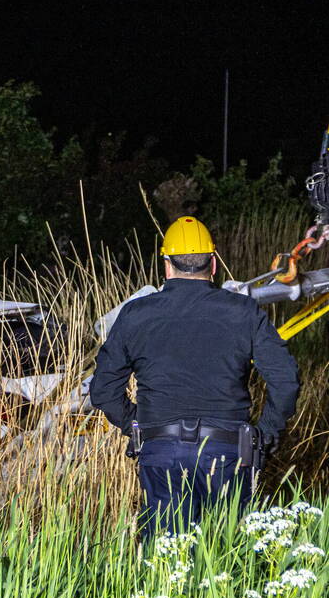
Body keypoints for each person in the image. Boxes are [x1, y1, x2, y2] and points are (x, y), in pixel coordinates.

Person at [89, 216, 299, 538]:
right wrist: (265, 434)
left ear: (166, 265)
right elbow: (285, 380)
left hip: (161, 451)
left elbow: (103, 390)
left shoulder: (136, 314)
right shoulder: (244, 311)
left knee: (166, 554)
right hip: (228, 452)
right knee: (226, 554)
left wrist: (140, 426)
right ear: (212, 264)